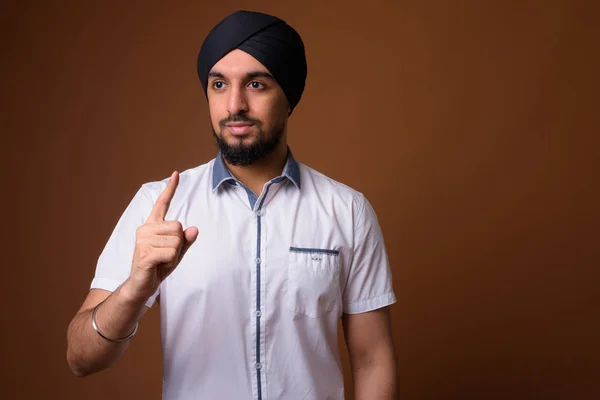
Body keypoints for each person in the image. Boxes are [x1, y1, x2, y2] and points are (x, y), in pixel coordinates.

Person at [66, 9, 398, 400]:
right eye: (219, 84)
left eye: (256, 84)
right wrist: (134, 290)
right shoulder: (156, 206)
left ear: (288, 96)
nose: (234, 105)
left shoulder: (348, 212)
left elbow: (373, 359)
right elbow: (81, 358)